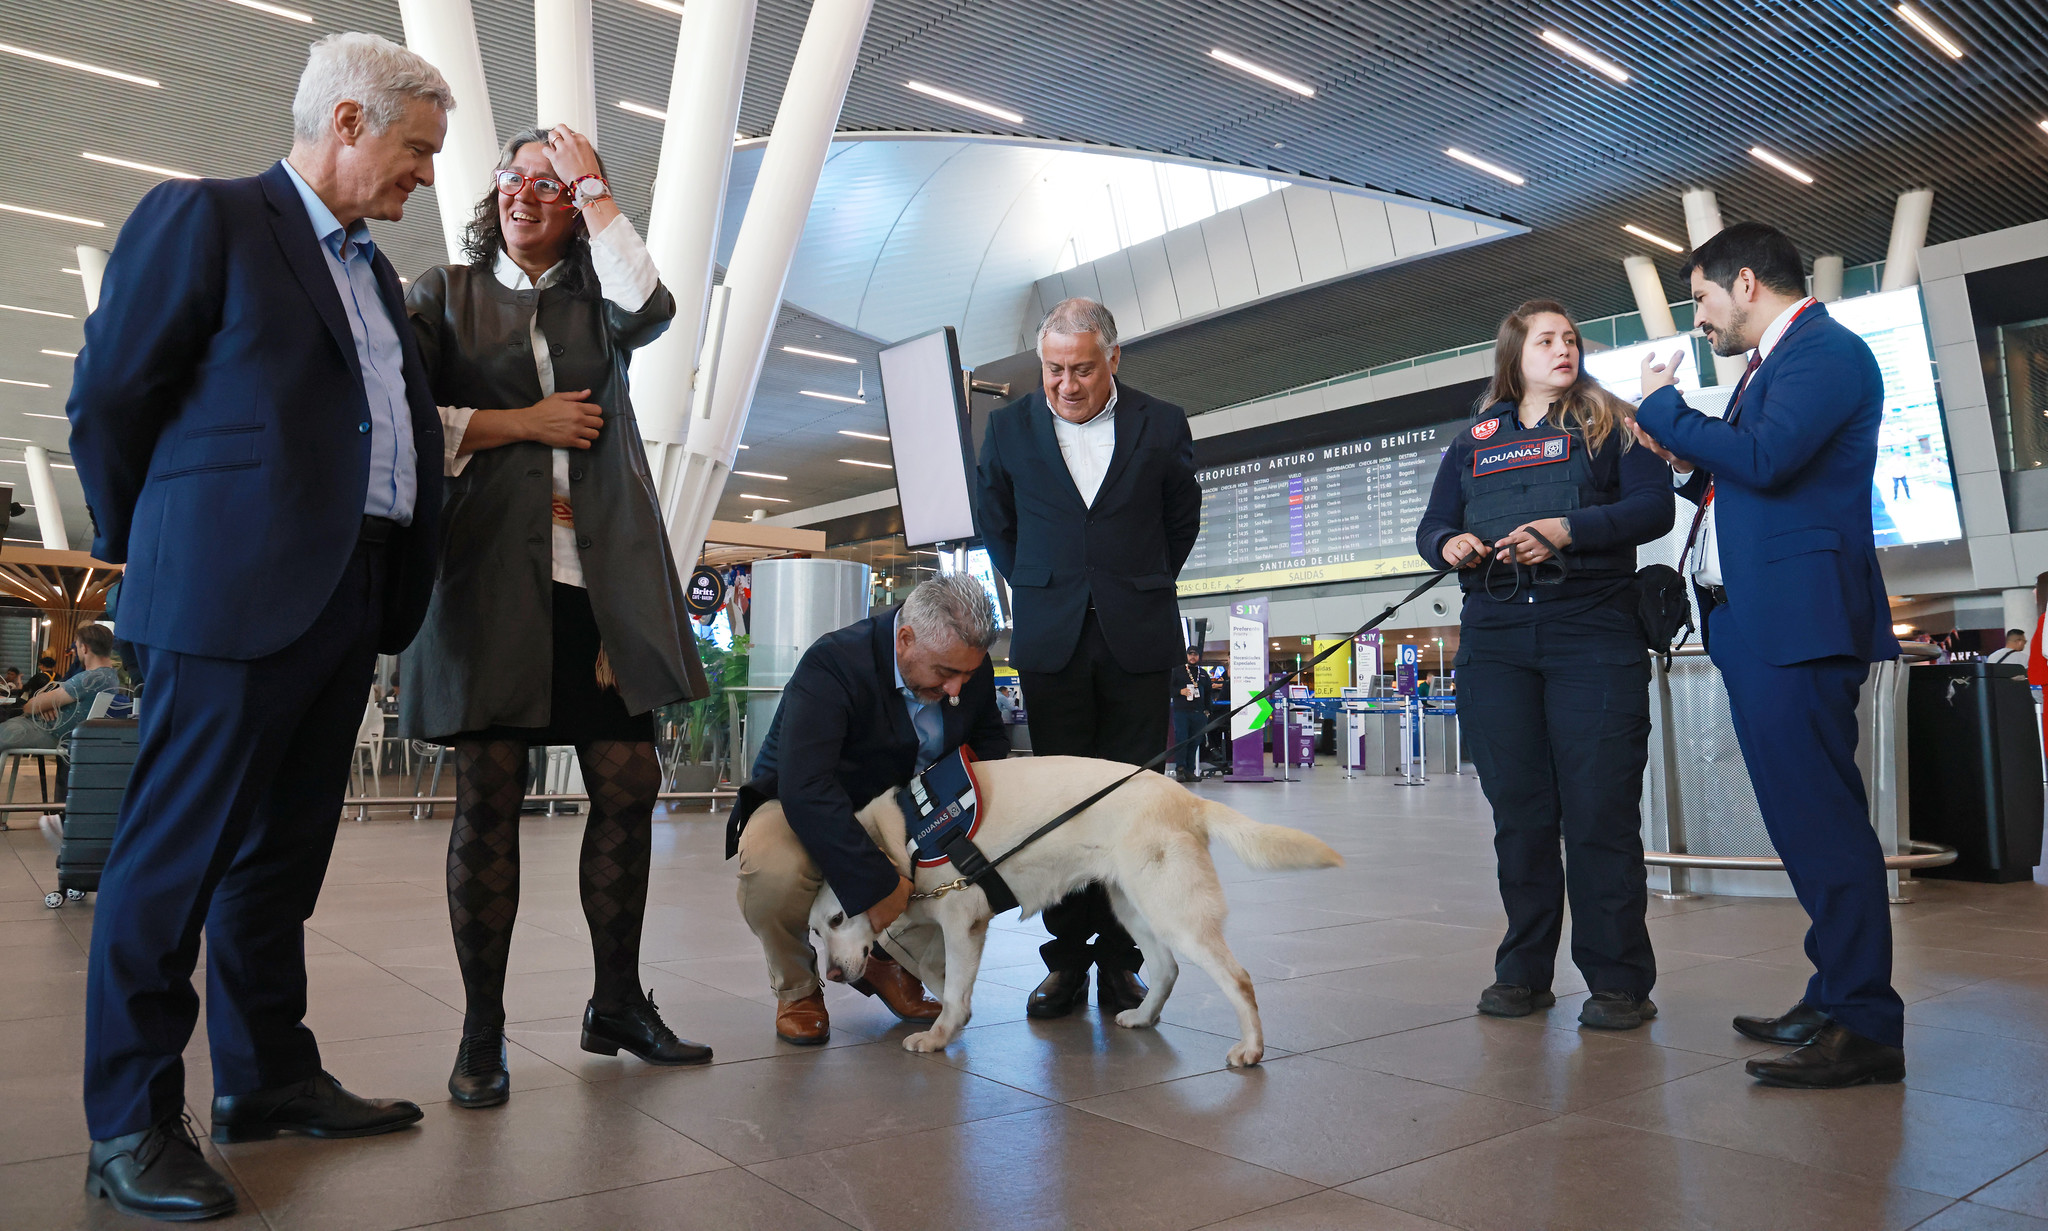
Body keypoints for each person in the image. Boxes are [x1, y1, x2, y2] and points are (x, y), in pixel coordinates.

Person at [66, 32, 452, 1221]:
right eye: (415, 149)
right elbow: (109, 401)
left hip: (348, 588)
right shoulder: (211, 220)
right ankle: (129, 1122)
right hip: (228, 591)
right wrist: (174, 546)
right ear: (345, 122)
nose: (425, 176)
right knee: (170, 861)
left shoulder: (374, 274)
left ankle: (266, 1077)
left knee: (278, 857)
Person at [400, 123, 711, 1108]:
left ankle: (614, 1001)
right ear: (489, 192)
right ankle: (481, 1032)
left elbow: (652, 303)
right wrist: (518, 424)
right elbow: (401, 414)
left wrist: (598, 187)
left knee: (627, 779)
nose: (528, 195)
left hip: (597, 585)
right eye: (515, 178)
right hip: (486, 585)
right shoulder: (441, 296)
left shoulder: (597, 304)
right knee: (489, 795)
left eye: (551, 184)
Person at [1630, 220, 1905, 1089]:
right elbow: (1744, 478)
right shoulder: (1770, 364)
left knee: (1823, 821)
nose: (1700, 318)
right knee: (1800, 821)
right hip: (1755, 619)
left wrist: (1665, 409)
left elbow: (1770, 458)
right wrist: (1682, 460)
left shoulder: (1825, 351)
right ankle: (1833, 992)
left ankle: (1865, 1021)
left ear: (1746, 282)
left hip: (1799, 619)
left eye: (1703, 297)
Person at [1415, 299, 1674, 1032]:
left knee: (1599, 811)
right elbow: (1432, 524)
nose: (1563, 348)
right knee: (1521, 817)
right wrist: (1450, 546)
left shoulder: (1611, 423)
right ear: (1514, 354)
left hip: (1591, 629)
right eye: (1546, 339)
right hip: (1496, 638)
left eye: (1571, 338)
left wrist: (1569, 527)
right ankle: (1523, 971)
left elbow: (1654, 509)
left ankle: (1619, 980)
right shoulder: (1474, 441)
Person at [974, 297, 1203, 1020]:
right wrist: (1044, 587)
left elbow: (1181, 521)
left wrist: (1133, 582)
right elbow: (997, 525)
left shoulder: (1160, 423)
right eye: (1052, 370)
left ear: (1113, 360)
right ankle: (1066, 961)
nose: (1066, 384)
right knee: (1065, 810)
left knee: (1136, 808)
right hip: (1052, 638)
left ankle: (1124, 962)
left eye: (1080, 369)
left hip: (1137, 634)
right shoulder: (1010, 428)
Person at [728, 575, 1008, 1044]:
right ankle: (798, 989)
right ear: (905, 639)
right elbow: (806, 785)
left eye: (968, 675)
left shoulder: (964, 671)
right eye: (944, 673)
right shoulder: (835, 661)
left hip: (906, 809)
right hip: (807, 799)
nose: (958, 688)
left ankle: (887, 965)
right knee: (771, 870)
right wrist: (879, 883)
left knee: (966, 861)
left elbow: (990, 746)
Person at [0, 624, 124, 753]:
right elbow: (42, 704)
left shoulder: (87, 679)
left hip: (46, 733)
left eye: (76, 648)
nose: (76, 653)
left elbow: (30, 707)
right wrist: (47, 705)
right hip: (62, 734)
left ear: (85, 648)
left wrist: (43, 705)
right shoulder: (110, 676)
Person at [1171, 646, 1215, 781]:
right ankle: (1180, 769)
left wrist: (1207, 710)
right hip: (1182, 712)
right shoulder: (1177, 671)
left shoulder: (1203, 673)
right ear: (1186, 656)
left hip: (1199, 714)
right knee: (1181, 740)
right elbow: (1168, 688)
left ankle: (1190, 771)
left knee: (1194, 742)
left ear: (1199, 657)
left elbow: (1208, 693)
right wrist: (1180, 692)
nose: (1192, 657)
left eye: (1195, 655)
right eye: (1190, 654)